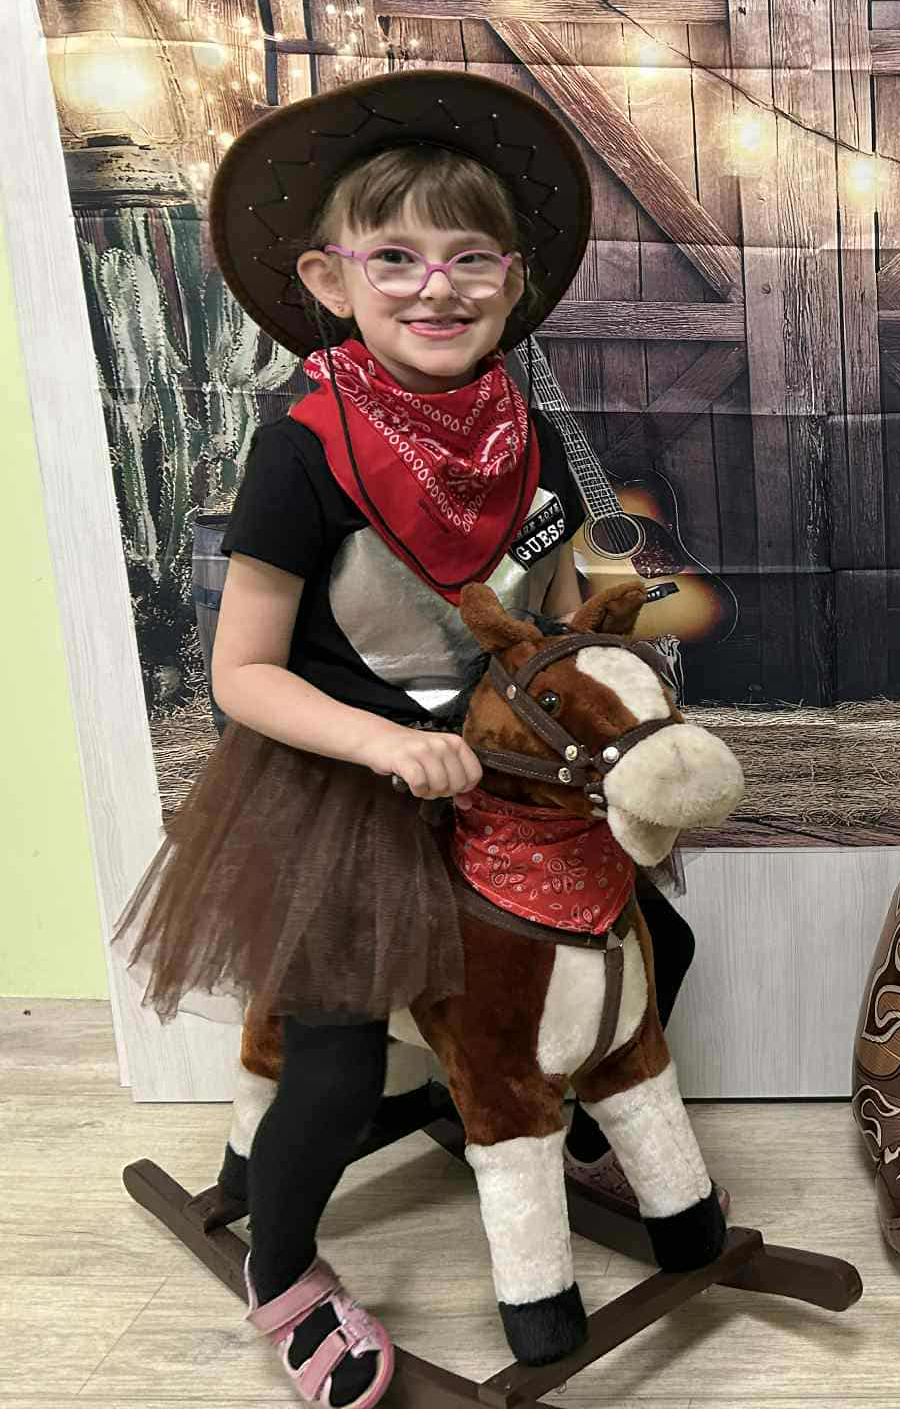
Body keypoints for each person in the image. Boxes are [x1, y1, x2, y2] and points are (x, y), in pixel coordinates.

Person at [116, 71, 701, 1408]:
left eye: (468, 258)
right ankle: (281, 1271)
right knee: (331, 1057)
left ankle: (556, 1106)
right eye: (395, 258)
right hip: (345, 778)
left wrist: (604, 673)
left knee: (657, 948)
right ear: (331, 280)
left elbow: (546, 610)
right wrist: (385, 747)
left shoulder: (525, 434)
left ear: (512, 282)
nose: (435, 288)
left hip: (500, 761)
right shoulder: (302, 448)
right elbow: (241, 676)